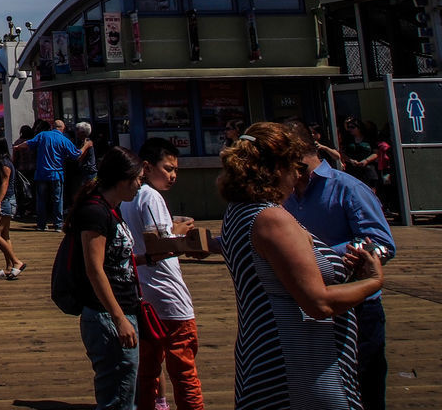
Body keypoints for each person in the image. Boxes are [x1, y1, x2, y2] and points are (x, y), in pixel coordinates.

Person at [219, 122, 384, 410]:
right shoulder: (271, 219)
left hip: (265, 354)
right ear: (275, 168)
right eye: (294, 166)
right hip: (300, 365)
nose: (298, 175)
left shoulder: (238, 211)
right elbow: (317, 303)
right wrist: (373, 281)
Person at [282, 119, 396, 410]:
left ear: (295, 152)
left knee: (364, 389)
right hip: (313, 307)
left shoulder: (348, 188)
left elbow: (381, 243)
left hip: (358, 308)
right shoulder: (287, 196)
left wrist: (321, 254)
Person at [120, 137, 203, 410]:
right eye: (168, 168)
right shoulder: (152, 197)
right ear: (147, 167)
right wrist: (184, 233)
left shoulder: (128, 198)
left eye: (175, 169)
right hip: (169, 296)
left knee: (147, 369)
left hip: (142, 294)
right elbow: (159, 242)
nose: (173, 175)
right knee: (184, 370)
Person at [66, 146, 144, 410]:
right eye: (138, 179)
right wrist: (119, 317)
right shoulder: (95, 212)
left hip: (121, 308)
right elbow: (94, 269)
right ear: (123, 179)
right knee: (118, 398)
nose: (140, 185)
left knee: (124, 390)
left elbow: (114, 259)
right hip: (106, 315)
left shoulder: (111, 208)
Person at [14, 119, 86, 231]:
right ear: (63, 128)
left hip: (42, 173)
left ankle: (41, 224)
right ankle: (58, 224)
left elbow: (28, 143)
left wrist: (17, 147)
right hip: (56, 173)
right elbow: (76, 154)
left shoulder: (43, 135)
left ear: (53, 127)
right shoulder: (63, 139)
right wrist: (86, 146)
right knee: (57, 200)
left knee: (41, 199)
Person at [0, 136, 25, 280]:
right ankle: (10, 267)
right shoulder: (2, 161)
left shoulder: (3, 163)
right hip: (7, 201)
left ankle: (16, 261)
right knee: (4, 235)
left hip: (5, 201)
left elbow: (5, 183)